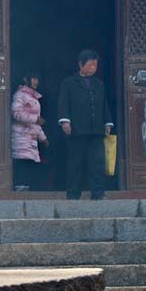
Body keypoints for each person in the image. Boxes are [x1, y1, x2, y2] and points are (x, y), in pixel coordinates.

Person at [57, 49, 113, 200]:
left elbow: (104, 104)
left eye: (95, 65)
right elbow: (63, 103)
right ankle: (73, 194)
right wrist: (65, 121)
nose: (93, 68)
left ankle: (98, 193)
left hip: (96, 130)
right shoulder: (69, 82)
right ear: (81, 65)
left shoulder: (99, 83)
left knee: (97, 162)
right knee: (76, 163)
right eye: (90, 65)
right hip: (77, 130)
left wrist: (108, 122)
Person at [11, 74, 49, 191]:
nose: (36, 81)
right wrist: (35, 119)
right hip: (21, 135)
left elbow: (36, 122)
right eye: (33, 78)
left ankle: (26, 192)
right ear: (25, 79)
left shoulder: (34, 97)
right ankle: (20, 191)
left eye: (37, 78)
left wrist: (43, 138)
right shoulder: (20, 94)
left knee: (30, 164)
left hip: (32, 138)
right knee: (22, 162)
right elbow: (16, 113)